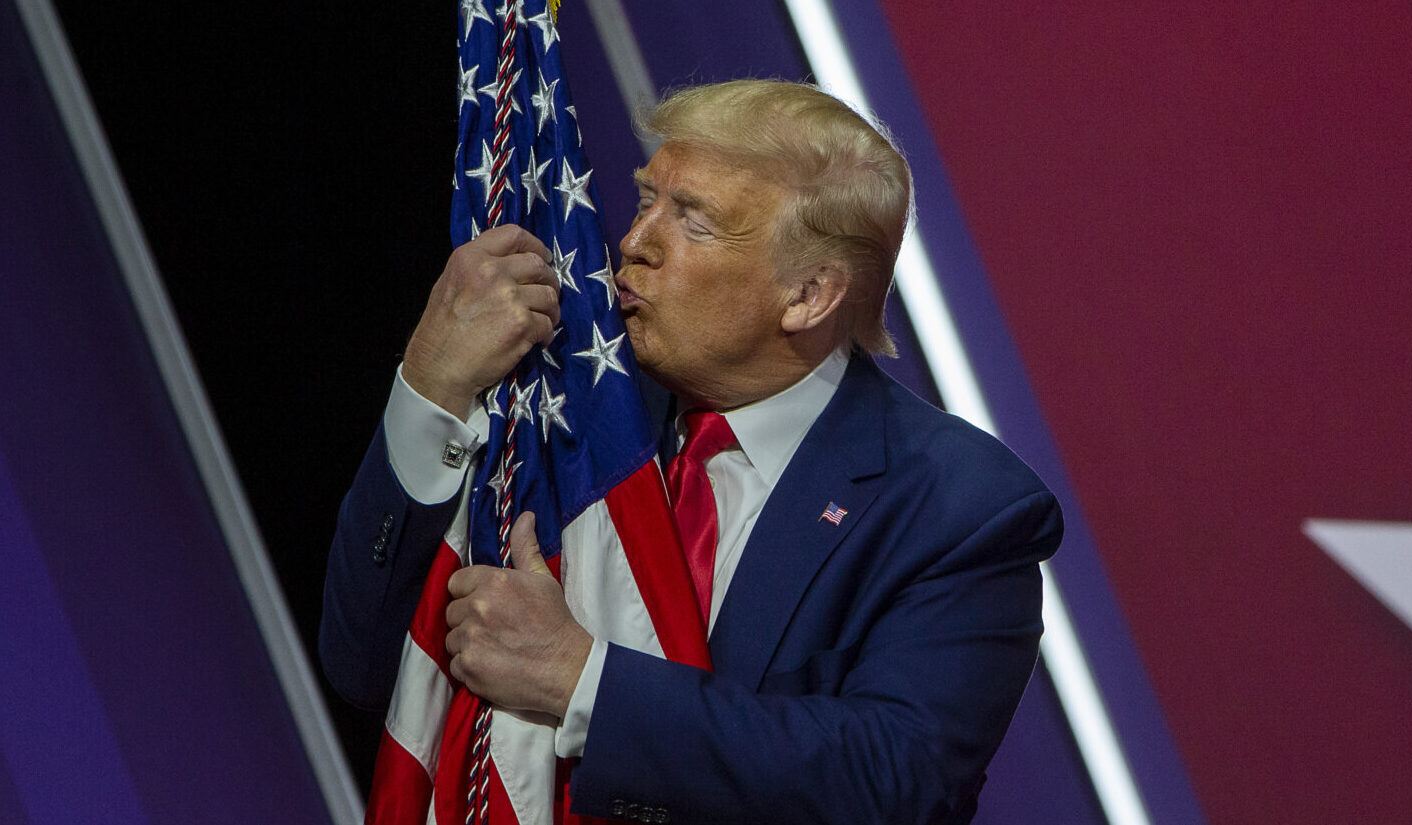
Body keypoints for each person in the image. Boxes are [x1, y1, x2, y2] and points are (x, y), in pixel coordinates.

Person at [321, 79, 1062, 824]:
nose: (635, 243)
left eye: (694, 223)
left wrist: (582, 681)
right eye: (647, 200)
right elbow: (367, 660)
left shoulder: (960, 509)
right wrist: (432, 385)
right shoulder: (565, 412)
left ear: (808, 294)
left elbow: (893, 781)